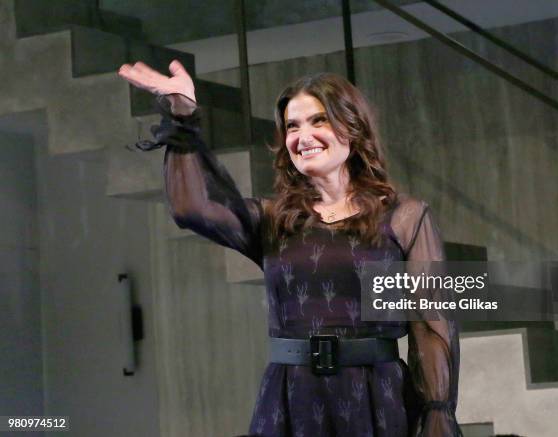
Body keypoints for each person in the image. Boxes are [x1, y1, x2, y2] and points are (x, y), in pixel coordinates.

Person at [118, 60, 462, 437]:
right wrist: (183, 114)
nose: (303, 136)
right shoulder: (272, 219)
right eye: (292, 126)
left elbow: (431, 325)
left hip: (376, 399)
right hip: (290, 400)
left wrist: (437, 413)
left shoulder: (405, 217)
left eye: (318, 120)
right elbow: (191, 208)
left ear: (353, 128)